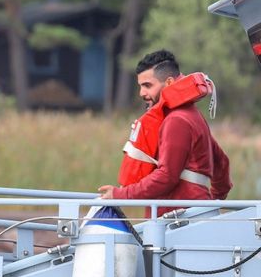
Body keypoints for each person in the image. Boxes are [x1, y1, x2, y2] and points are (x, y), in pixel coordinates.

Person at [98, 49, 231, 214]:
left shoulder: (175, 121)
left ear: (168, 83)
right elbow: (222, 162)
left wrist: (120, 194)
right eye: (140, 86)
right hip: (196, 214)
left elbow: (166, 177)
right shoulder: (193, 115)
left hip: (179, 221)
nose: (142, 93)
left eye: (147, 86)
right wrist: (214, 200)